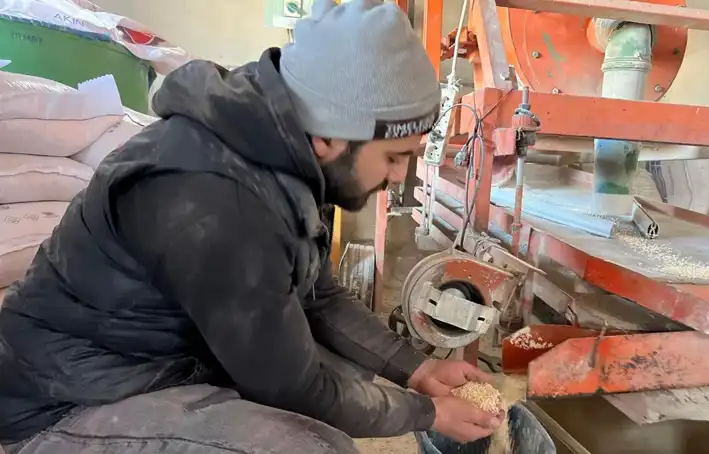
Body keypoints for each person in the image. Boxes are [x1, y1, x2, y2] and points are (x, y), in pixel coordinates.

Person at [0, 1, 504, 453]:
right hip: (69, 399)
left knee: (350, 374)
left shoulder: (278, 155)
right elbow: (289, 385)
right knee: (311, 447)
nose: (397, 177)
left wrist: (418, 370)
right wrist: (427, 413)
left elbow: (318, 297)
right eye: (394, 157)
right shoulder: (213, 198)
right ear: (330, 137)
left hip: (156, 364)